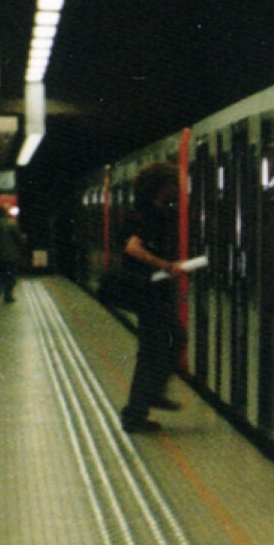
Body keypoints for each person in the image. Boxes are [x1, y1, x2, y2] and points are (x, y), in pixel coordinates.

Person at [117, 161, 188, 434]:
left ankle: (146, 401)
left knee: (159, 345)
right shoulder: (147, 213)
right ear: (161, 186)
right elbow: (133, 248)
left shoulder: (142, 210)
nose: (176, 188)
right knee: (164, 343)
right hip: (147, 290)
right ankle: (138, 411)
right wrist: (166, 266)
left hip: (148, 289)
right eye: (172, 183)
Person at [0, 204, 27, 303]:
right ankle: (8, 296)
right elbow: (19, 239)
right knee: (9, 277)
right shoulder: (12, 224)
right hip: (10, 257)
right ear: (7, 213)